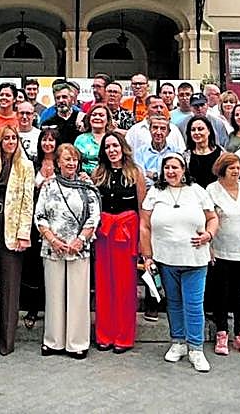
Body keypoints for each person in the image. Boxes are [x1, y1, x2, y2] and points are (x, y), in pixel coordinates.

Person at [140, 153, 216, 373]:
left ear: (184, 170)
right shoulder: (155, 192)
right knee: (173, 302)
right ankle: (178, 343)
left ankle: (196, 348)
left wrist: (208, 236)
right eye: (167, 168)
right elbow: (144, 225)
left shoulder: (198, 191)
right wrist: (147, 255)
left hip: (195, 258)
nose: (171, 172)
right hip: (166, 258)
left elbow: (212, 218)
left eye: (175, 167)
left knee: (193, 304)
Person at [34, 143, 100, 359]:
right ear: (58, 162)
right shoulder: (48, 186)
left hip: (78, 248)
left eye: (74, 160)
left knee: (78, 296)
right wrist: (52, 239)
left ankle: (77, 342)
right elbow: (39, 215)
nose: (71, 163)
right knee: (54, 295)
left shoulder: (86, 186)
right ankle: (53, 341)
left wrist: (80, 240)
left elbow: (94, 216)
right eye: (66, 159)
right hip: (53, 247)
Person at [0, 126, 35, 355]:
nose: (10, 142)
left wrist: (24, 233)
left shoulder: (26, 166)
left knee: (10, 286)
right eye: (6, 138)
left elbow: (27, 201)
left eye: (14, 138)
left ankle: (6, 341)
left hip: (13, 229)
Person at [92, 131, 145, 353]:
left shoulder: (135, 173)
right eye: (107, 147)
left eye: (115, 146)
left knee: (124, 286)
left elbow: (142, 209)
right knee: (104, 285)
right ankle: (104, 335)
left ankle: (123, 336)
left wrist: (143, 241)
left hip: (127, 232)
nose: (112, 150)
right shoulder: (98, 174)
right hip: (104, 233)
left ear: (123, 147)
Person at [205, 151, 240, 356]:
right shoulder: (212, 190)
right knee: (221, 294)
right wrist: (209, 246)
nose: (235, 171)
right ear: (222, 169)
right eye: (231, 168)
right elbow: (207, 218)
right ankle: (221, 333)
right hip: (220, 250)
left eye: (238, 168)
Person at [22, 128, 58, 328]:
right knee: (34, 267)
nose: (48, 144)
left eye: (52, 140)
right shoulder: (32, 165)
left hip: (58, 224)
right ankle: (33, 308)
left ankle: (54, 308)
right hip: (34, 222)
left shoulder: (62, 165)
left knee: (54, 267)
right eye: (44, 139)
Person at [74, 104, 112, 175]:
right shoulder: (80, 139)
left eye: (101, 115)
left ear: (108, 119)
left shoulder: (113, 138)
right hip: (85, 179)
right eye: (94, 115)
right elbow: (75, 162)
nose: (97, 117)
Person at [186, 117, 222, 189]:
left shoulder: (221, 154)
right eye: (193, 130)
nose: (196, 132)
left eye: (200, 129)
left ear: (209, 131)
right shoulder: (186, 156)